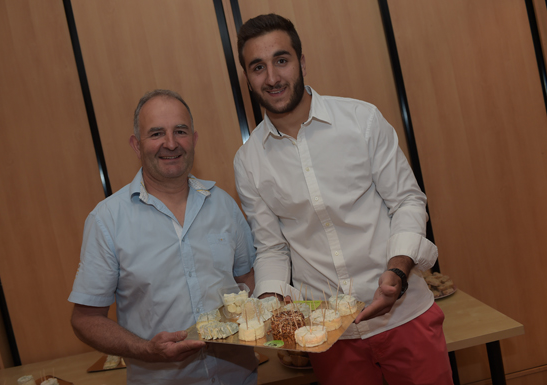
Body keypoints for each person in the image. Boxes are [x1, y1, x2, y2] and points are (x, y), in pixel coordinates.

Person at [234, 14, 453, 384]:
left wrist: (397, 272)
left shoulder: (361, 120)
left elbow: (407, 202)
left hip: (405, 317)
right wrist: (271, 301)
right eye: (258, 67)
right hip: (331, 338)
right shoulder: (248, 160)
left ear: (302, 62)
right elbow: (271, 248)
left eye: (281, 60)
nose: (272, 77)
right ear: (248, 77)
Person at [69, 89, 258, 385]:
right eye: (156, 133)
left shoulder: (224, 205)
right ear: (136, 145)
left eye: (180, 131)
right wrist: (146, 350)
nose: (170, 144)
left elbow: (247, 280)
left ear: (193, 139)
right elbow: (85, 319)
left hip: (239, 377)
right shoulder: (107, 220)